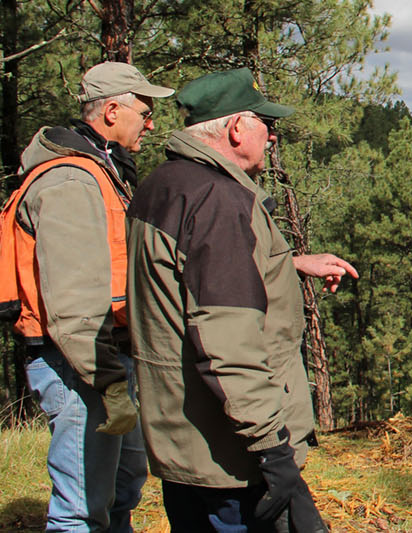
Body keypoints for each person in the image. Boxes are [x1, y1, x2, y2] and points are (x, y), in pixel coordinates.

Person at [125, 67, 356, 532]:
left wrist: (288, 263)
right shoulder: (219, 200)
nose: (272, 138)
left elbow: (190, 281)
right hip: (230, 454)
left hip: (185, 436)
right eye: (266, 125)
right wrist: (274, 453)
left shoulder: (165, 184)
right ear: (235, 128)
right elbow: (229, 344)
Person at [7, 61, 174, 532]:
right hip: (78, 365)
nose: (151, 122)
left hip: (103, 361)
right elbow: (75, 302)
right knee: (81, 511)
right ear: (112, 110)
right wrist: (107, 383)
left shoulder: (101, 170)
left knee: (122, 489)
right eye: (144, 111)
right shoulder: (70, 181)